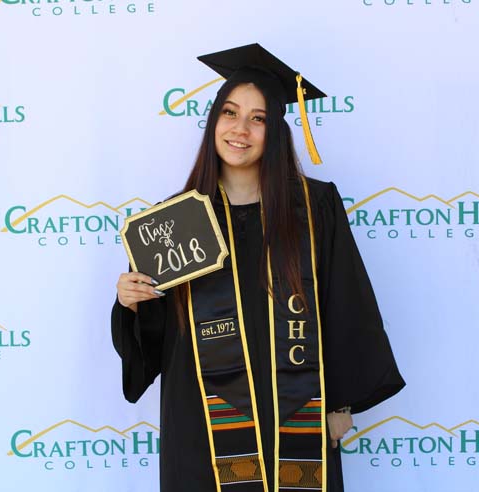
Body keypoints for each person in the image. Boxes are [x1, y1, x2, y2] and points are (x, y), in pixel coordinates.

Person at [112, 43, 405, 492]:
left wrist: (341, 403)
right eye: (229, 113)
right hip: (204, 419)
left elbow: (346, 303)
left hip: (296, 412)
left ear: (277, 130)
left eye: (258, 118)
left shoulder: (314, 205)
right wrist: (130, 303)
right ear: (213, 123)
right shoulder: (175, 219)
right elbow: (158, 335)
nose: (240, 129)